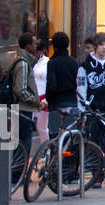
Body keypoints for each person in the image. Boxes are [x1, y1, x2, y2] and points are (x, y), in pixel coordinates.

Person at [81, 32, 105, 187]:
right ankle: (97, 175)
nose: (104, 48)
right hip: (94, 110)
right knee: (94, 143)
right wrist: (84, 109)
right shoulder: (86, 65)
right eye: (101, 45)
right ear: (95, 47)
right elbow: (81, 88)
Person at [7, 33, 42, 165]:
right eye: (33, 43)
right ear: (28, 46)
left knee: (19, 141)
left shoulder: (21, 60)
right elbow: (20, 89)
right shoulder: (23, 63)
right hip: (22, 108)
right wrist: (35, 100)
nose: (36, 46)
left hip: (20, 108)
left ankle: (18, 171)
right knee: (23, 141)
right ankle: (19, 172)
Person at [42, 33, 81, 138]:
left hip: (56, 104)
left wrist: (49, 100)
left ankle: (57, 154)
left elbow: (51, 85)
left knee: (55, 136)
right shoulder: (74, 62)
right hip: (72, 102)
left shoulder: (52, 63)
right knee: (71, 136)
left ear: (54, 46)